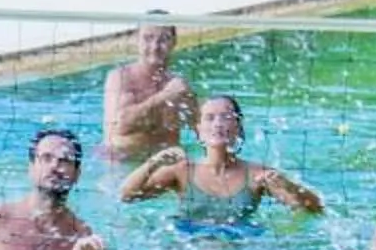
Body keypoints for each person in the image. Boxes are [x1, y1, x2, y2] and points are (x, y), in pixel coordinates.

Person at [118, 94, 324, 224]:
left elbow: (314, 209)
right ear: (198, 130)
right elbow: (126, 196)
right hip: (188, 246)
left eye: (226, 117)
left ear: (238, 129)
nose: (218, 124)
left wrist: (288, 185)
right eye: (210, 118)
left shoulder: (256, 175)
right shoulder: (181, 172)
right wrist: (153, 162)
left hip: (240, 246)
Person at [0, 127, 99, 250]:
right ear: (31, 168)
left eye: (65, 160)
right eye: (46, 158)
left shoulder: (81, 234)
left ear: (77, 174)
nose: (55, 166)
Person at [101, 21, 195, 163]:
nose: (155, 47)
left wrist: (191, 103)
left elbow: (200, 127)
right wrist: (165, 96)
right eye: (148, 38)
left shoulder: (177, 84)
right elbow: (119, 125)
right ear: (136, 40)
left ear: (174, 43)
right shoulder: (120, 78)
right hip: (124, 164)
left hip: (168, 164)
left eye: (163, 39)